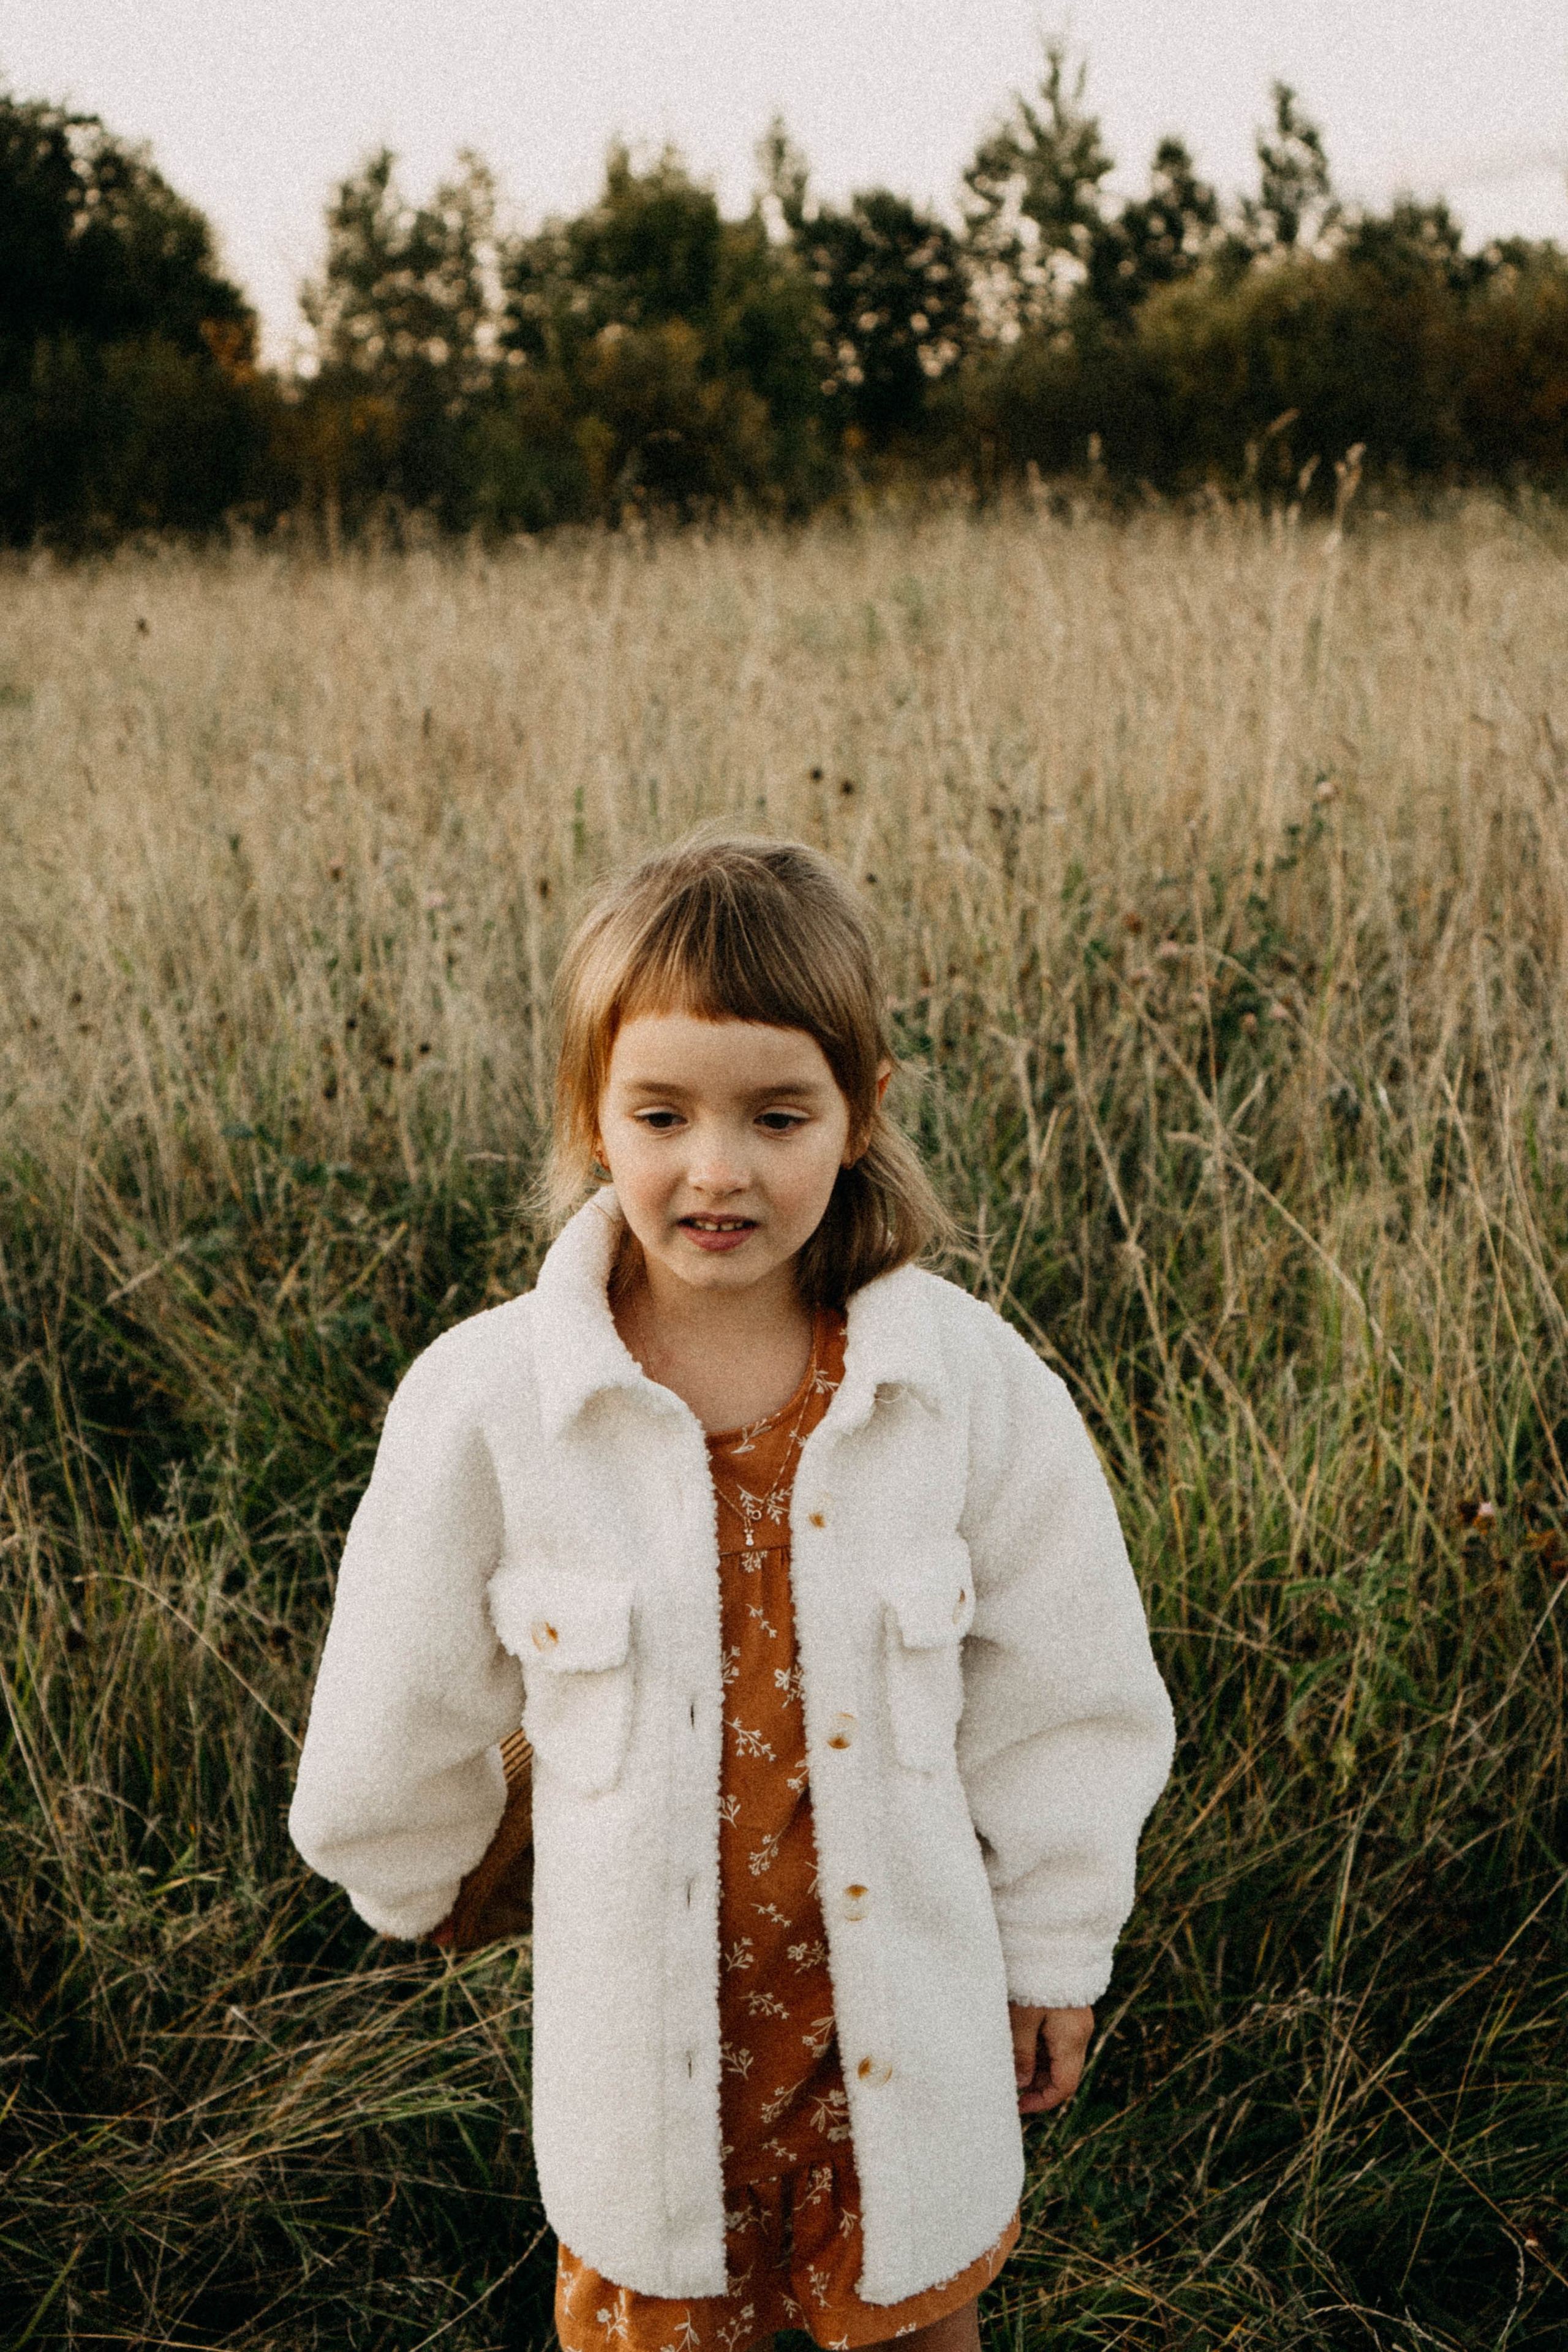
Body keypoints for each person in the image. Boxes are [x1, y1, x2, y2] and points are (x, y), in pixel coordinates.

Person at [289, 833, 1175, 2352]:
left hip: (894, 2059)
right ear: (592, 1116)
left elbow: (1064, 1688)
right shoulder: (495, 1397)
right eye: (661, 1115)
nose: (718, 1169)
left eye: (776, 1115)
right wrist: (410, 1868)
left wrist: (1051, 1948)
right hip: (643, 2093)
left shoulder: (959, 1383)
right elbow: (399, 1681)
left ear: (859, 1111)